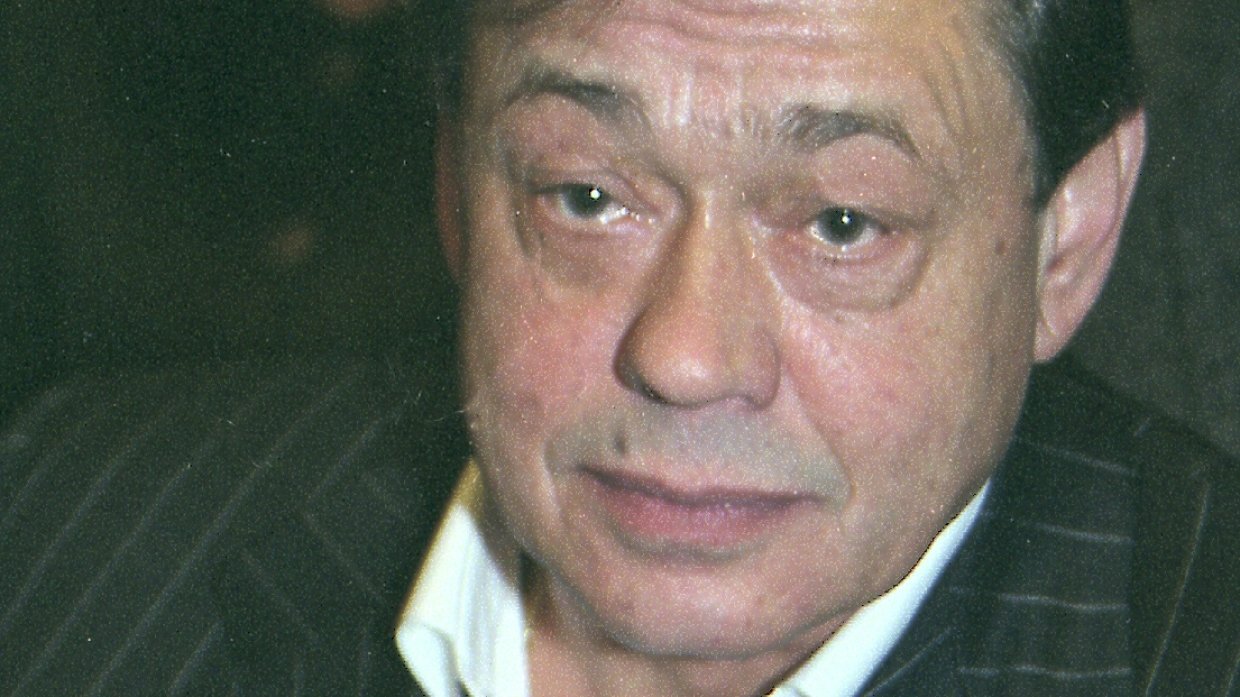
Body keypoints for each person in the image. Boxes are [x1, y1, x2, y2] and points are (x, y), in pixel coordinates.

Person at [1, 0, 1237, 695]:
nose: (686, 356)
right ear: (455, 179)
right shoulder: (67, 520)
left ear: (1066, 240)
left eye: (839, 223)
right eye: (587, 197)